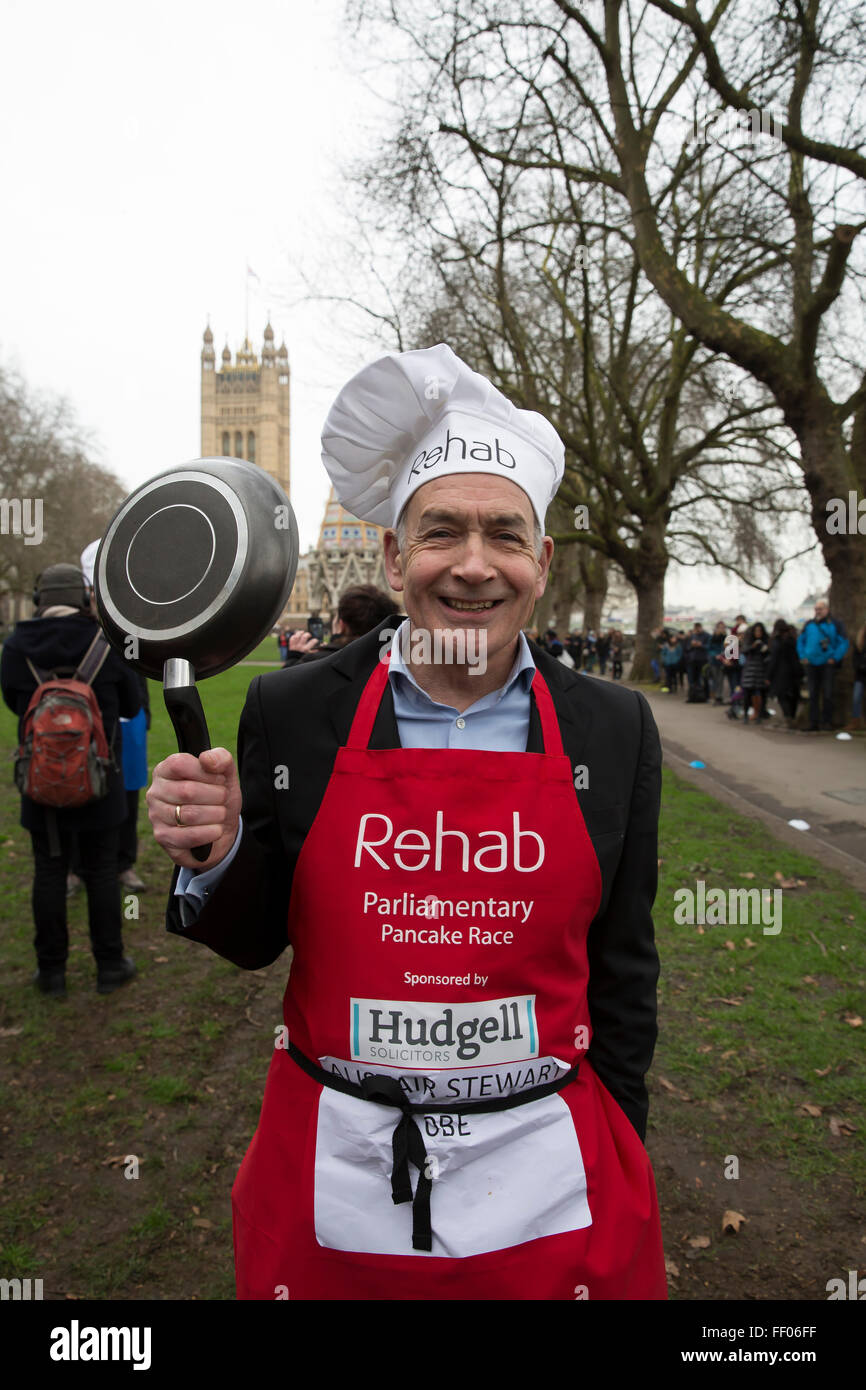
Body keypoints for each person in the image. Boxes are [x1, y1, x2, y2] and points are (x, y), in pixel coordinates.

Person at [147, 344, 666, 1301]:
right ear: (392, 553)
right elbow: (259, 938)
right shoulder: (295, 713)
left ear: (542, 563)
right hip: (338, 1171)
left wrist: (620, 1131)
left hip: (549, 1180)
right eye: (441, 534)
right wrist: (217, 858)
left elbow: (624, 968)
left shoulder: (613, 726)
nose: (475, 566)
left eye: (505, 535)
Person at [1, 564, 141, 996]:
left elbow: (12, 702)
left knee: (49, 869)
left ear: (40, 600)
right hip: (101, 778)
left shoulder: (15, 645)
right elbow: (134, 703)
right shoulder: (108, 642)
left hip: (42, 780)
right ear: (85, 599)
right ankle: (110, 965)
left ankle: (52, 972)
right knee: (101, 871)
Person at [284, 585, 401, 665]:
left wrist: (293, 658)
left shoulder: (318, 661)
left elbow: (283, 695)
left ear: (342, 624)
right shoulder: (399, 662)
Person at [797, 597, 849, 731]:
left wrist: (835, 657)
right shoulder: (809, 624)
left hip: (827, 663)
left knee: (828, 693)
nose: (817, 611)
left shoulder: (835, 624)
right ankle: (813, 722)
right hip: (811, 663)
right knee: (813, 694)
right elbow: (800, 641)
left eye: (820, 609)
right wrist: (803, 656)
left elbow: (843, 642)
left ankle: (827, 722)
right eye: (816, 609)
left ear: (826, 609)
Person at [767, 619, 802, 728]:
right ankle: (792, 716)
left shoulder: (777, 642)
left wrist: (768, 675)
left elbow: (774, 660)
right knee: (793, 696)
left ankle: (788, 717)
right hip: (794, 671)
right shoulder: (794, 640)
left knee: (782, 696)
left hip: (780, 673)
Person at [741, 622, 770, 724]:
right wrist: (752, 646)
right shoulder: (749, 642)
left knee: (759, 693)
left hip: (761, 670)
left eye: (760, 631)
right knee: (747, 694)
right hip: (749, 671)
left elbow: (768, 655)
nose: (758, 633)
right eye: (756, 631)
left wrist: (764, 648)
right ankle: (746, 715)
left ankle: (758, 714)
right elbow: (744, 651)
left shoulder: (765, 641)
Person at [847, 620, 866, 732]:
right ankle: (855, 722)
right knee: (856, 697)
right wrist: (860, 666)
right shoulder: (860, 642)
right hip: (860, 675)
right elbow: (855, 658)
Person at [707, 622, 727, 704]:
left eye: (723, 627)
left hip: (723, 661)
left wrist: (723, 655)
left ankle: (719, 696)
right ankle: (714, 695)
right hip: (714, 661)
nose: (721, 629)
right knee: (714, 679)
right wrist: (715, 655)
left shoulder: (726, 638)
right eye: (720, 627)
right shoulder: (712, 638)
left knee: (721, 679)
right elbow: (709, 649)